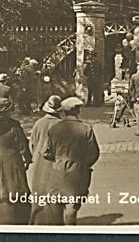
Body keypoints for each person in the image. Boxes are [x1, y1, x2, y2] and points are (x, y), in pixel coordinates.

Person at [42, 96, 100, 225]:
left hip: (57, 170)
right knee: (72, 206)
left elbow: (47, 153)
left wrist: (57, 159)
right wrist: (83, 164)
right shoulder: (86, 129)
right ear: (77, 111)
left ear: (63, 111)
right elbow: (93, 153)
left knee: (56, 205)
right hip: (77, 172)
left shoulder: (54, 129)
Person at [29, 95, 62, 224]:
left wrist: (35, 156)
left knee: (39, 192)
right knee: (54, 194)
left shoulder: (38, 123)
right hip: (55, 163)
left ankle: (37, 221)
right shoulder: (61, 125)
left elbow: (32, 144)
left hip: (39, 162)